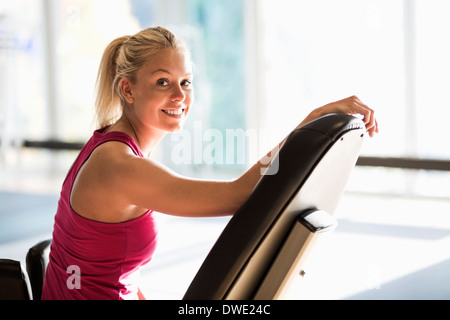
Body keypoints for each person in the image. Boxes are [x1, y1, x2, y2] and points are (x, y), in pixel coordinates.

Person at [41, 26, 378, 300]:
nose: (179, 96)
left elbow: (113, 272)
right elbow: (240, 196)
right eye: (163, 82)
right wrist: (312, 122)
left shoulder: (111, 146)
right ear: (128, 90)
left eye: (185, 82)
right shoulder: (118, 165)